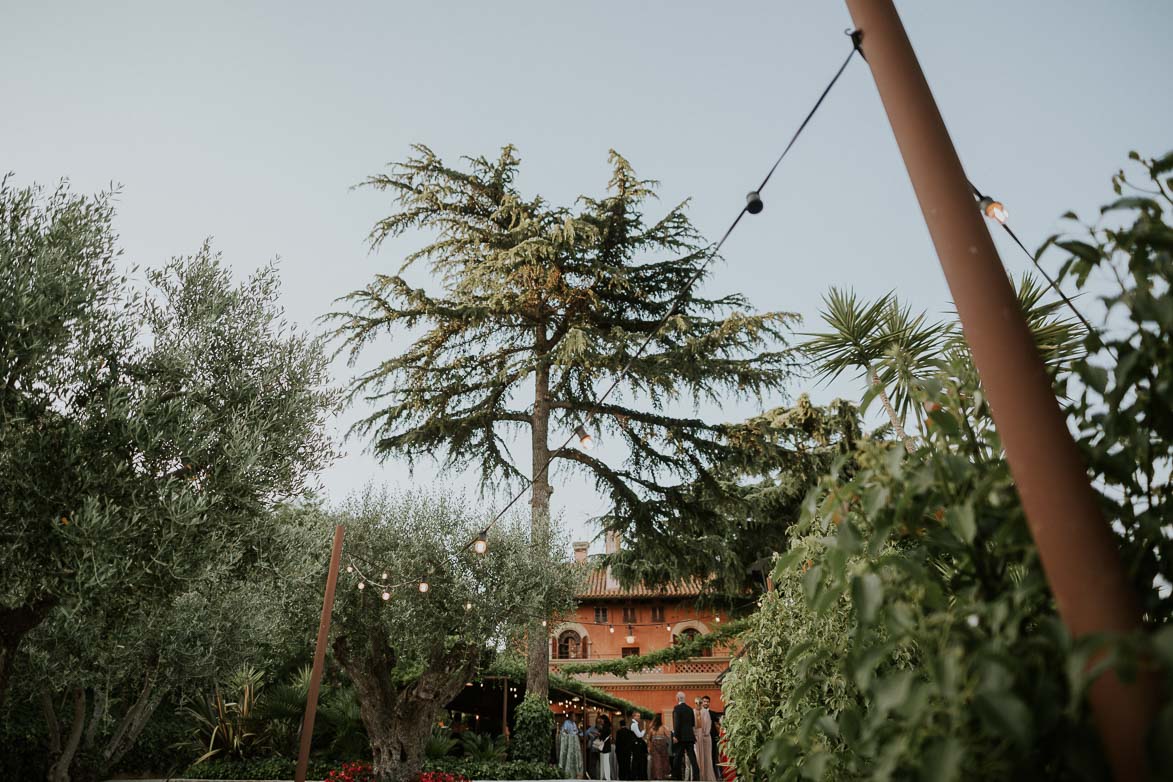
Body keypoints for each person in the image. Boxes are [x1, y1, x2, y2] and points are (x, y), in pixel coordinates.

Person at [671, 692, 700, 781]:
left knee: (678, 757)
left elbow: (677, 723)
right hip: (690, 737)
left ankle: (676, 776)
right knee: (692, 757)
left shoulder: (677, 708)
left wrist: (675, 735)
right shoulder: (690, 709)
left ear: (677, 698)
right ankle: (696, 776)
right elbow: (692, 723)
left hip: (681, 737)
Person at [696, 696, 716, 781]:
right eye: (704, 702)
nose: (705, 703)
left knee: (709, 758)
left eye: (707, 702)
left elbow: (711, 726)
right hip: (699, 739)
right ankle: (702, 776)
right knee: (700, 758)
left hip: (707, 738)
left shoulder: (709, 713)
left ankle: (709, 776)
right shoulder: (696, 712)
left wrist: (704, 734)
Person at [560, 713, 584, 778]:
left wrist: (579, 732)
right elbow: (564, 730)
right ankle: (567, 772)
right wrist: (570, 735)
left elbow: (575, 731)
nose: (575, 718)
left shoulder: (574, 724)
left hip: (574, 742)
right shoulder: (566, 722)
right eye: (574, 716)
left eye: (575, 716)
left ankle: (576, 772)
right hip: (568, 742)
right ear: (570, 717)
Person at [649, 713, 671, 780]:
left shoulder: (652, 728)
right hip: (663, 744)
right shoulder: (663, 727)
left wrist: (649, 746)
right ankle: (663, 775)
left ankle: (657, 776)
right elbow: (668, 735)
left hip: (655, 744)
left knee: (656, 760)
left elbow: (650, 738)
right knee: (663, 760)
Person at [629, 710, 648, 779]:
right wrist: (644, 729)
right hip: (636, 745)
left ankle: (635, 776)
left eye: (639, 716)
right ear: (634, 716)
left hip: (635, 745)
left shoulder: (635, 724)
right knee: (636, 761)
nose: (639, 717)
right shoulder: (634, 725)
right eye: (638, 716)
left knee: (636, 760)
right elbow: (639, 735)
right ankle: (634, 776)